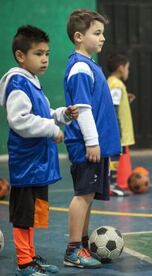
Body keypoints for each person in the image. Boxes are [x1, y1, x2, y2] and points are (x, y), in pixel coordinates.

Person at [0, 25, 78, 275]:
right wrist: (52, 129)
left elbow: (43, 113)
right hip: (26, 163)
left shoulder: (33, 83)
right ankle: (24, 261)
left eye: (47, 53)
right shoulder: (18, 83)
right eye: (38, 54)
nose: (44, 59)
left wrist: (62, 115)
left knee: (35, 212)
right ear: (21, 56)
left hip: (38, 162)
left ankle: (31, 255)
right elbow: (20, 120)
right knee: (24, 214)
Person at [63, 9, 121, 268]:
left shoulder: (89, 65)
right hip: (87, 145)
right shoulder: (79, 67)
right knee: (82, 195)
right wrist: (92, 141)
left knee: (88, 196)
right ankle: (73, 250)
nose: (102, 38)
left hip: (95, 144)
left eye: (103, 33)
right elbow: (83, 108)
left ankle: (83, 244)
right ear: (78, 36)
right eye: (96, 33)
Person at [107, 53, 136, 197]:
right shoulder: (117, 85)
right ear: (120, 68)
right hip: (118, 130)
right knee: (114, 157)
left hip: (115, 129)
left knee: (114, 157)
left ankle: (111, 184)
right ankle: (112, 185)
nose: (128, 71)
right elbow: (113, 108)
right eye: (127, 68)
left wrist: (126, 99)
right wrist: (117, 131)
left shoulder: (110, 82)